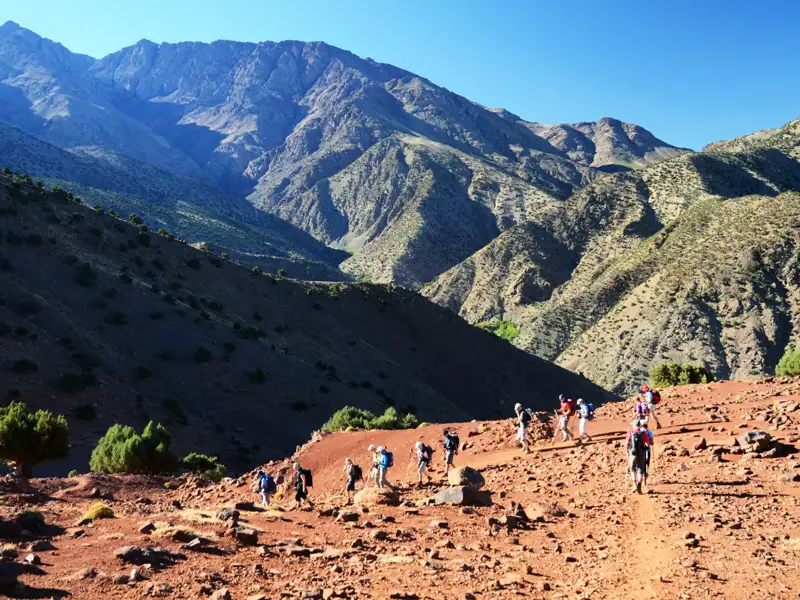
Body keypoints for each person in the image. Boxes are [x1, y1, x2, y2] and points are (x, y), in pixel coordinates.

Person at [626, 420, 653, 494]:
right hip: (641, 453)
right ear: (640, 426)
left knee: (633, 469)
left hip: (632, 454)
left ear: (634, 426)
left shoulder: (631, 433)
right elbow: (647, 443)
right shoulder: (643, 433)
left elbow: (626, 444)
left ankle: (634, 484)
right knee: (640, 469)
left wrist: (628, 450)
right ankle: (639, 485)